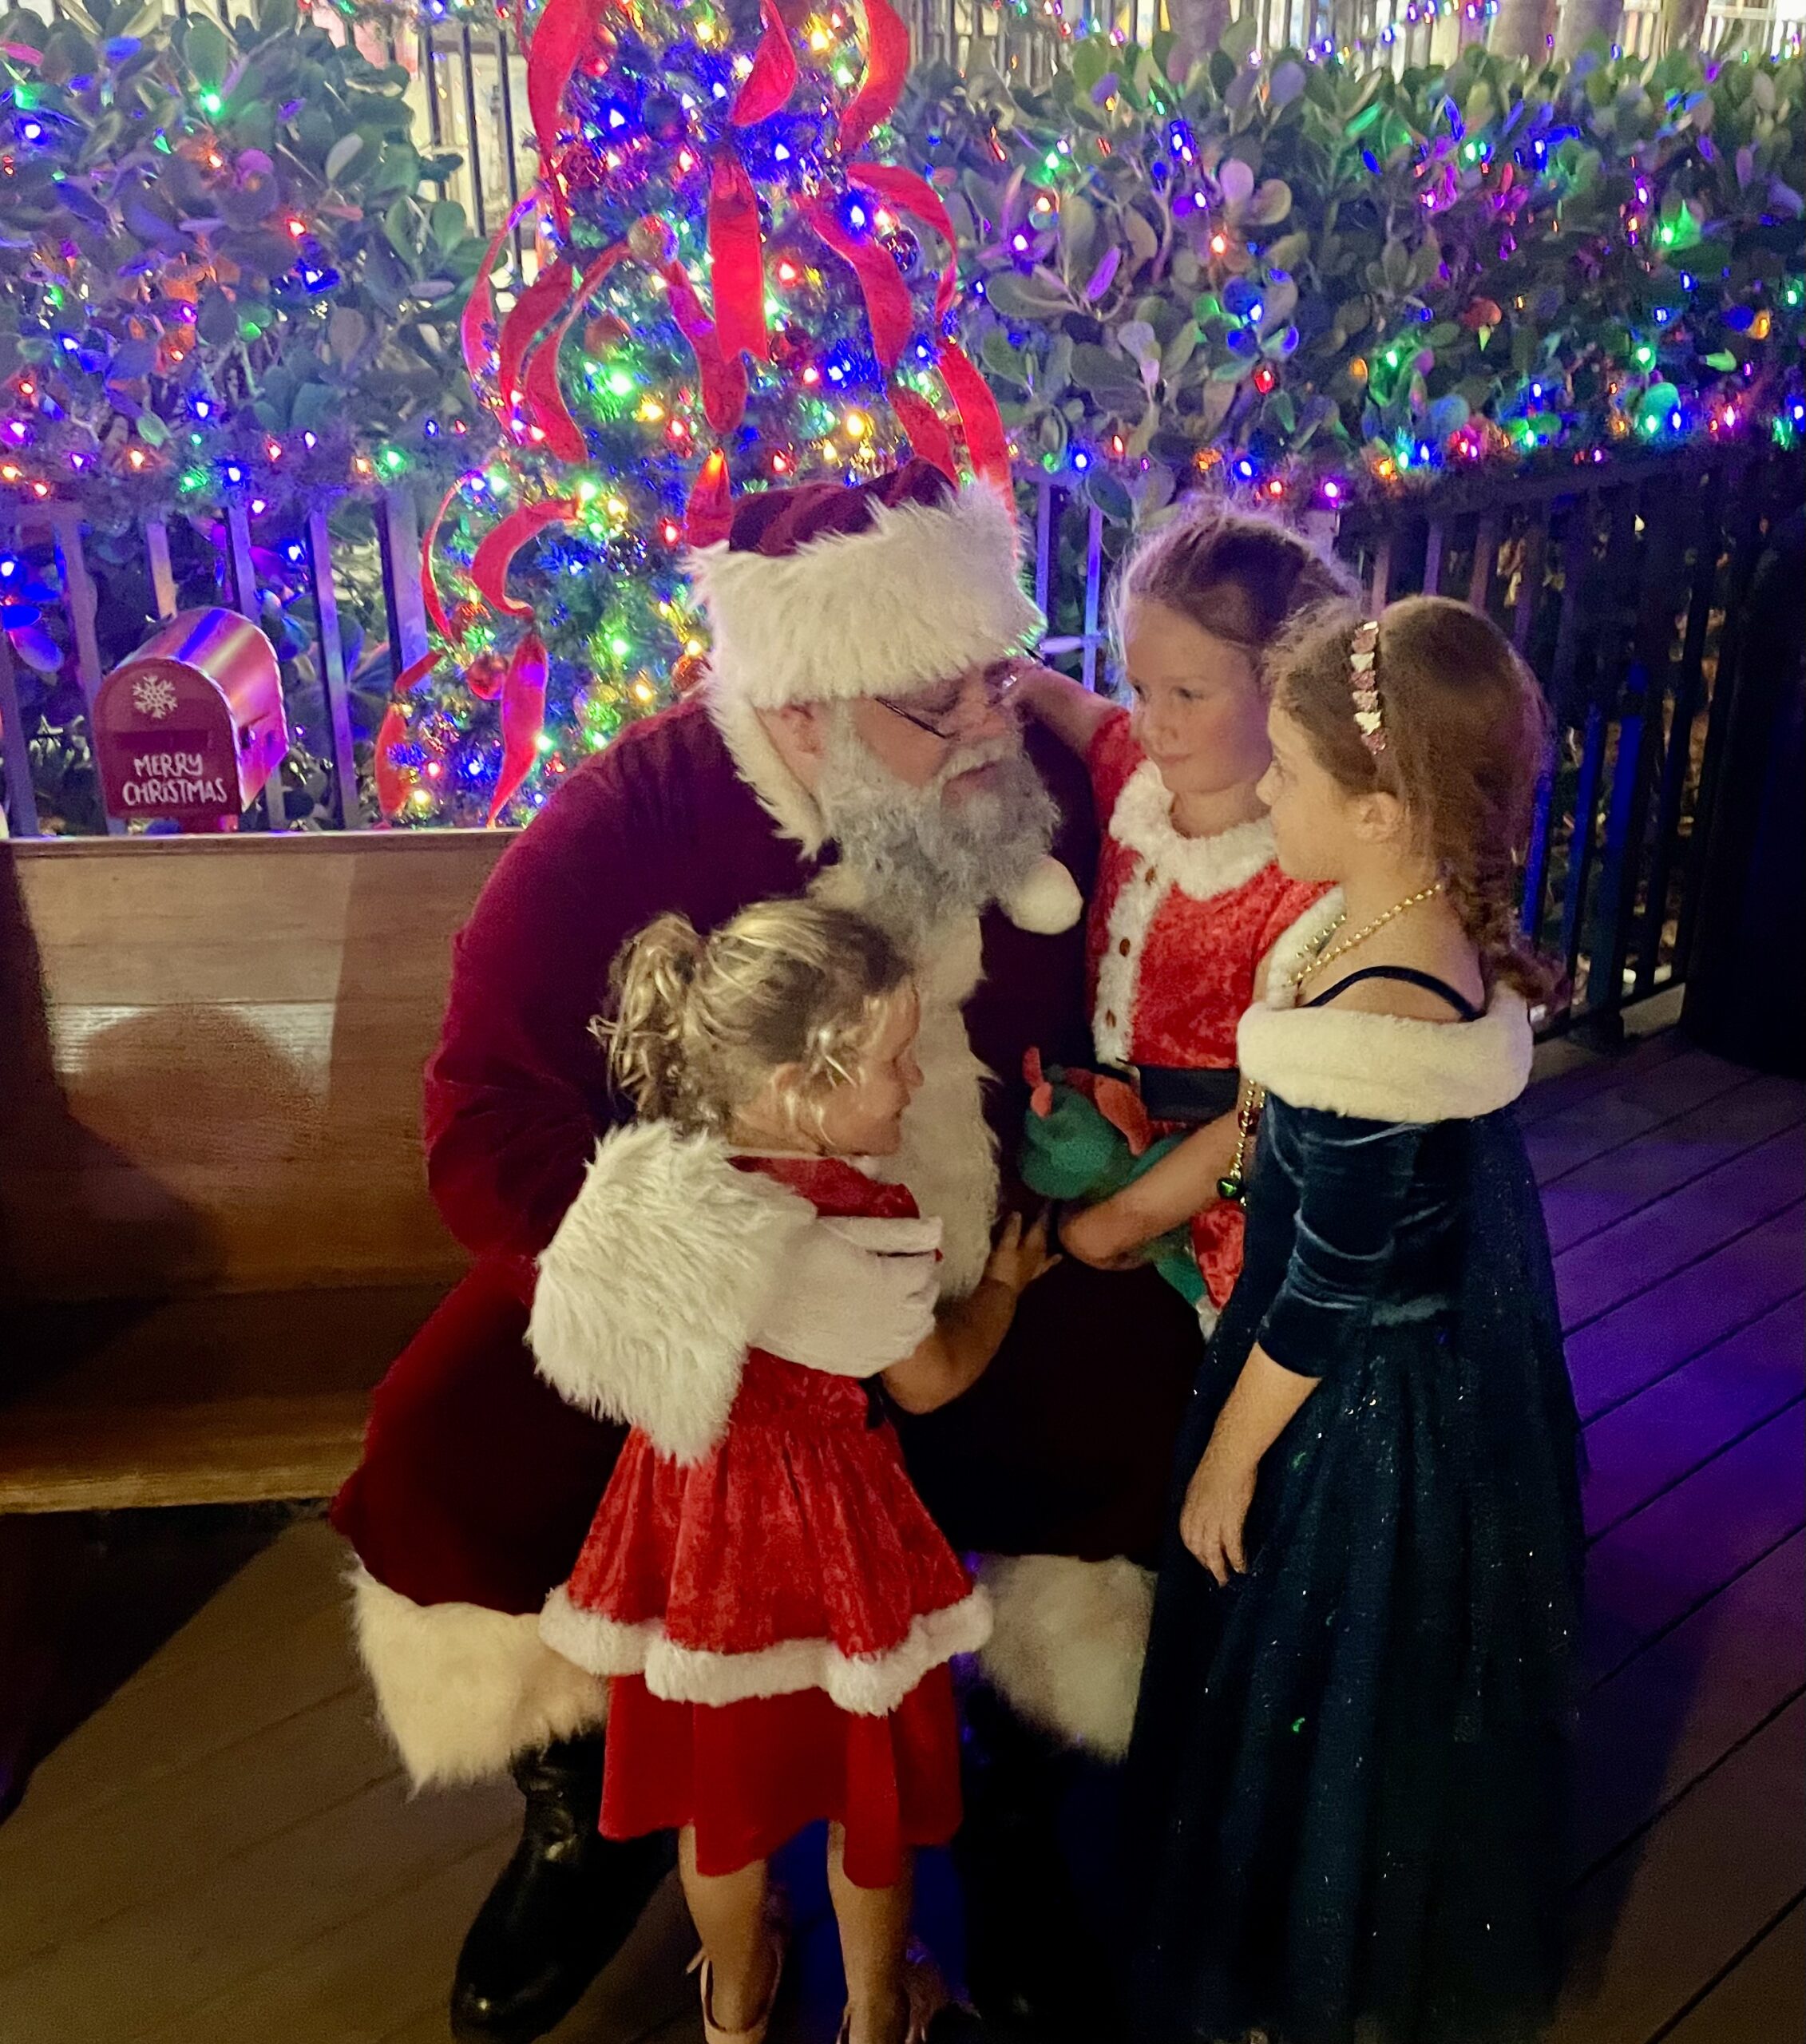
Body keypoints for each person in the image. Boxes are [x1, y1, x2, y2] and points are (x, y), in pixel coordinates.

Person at [329, 460, 1206, 2043]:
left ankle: (1018, 1797)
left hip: (1003, 1257)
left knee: (1151, 1412)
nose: (990, 726)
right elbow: (482, 1110)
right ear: (804, 709)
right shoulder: (632, 814)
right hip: (719, 1290)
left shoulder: (1028, 772)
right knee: (444, 1442)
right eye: (940, 704)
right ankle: (590, 1791)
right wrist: (719, 1274)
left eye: (995, 677)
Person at [1125, 595, 1586, 2044]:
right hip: (1414, 1381)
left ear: (1381, 809)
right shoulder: (1406, 922)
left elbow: (1328, 1291)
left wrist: (1225, 1460)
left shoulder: (1372, 1029)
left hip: (1354, 1420)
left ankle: (1302, 1969)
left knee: (1317, 1680)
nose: (1265, 791)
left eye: (1289, 772)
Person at [528, 898, 1057, 2044]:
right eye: (893, 1058)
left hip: (689, 1524)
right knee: (866, 1799)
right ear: (797, 1088)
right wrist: (1004, 1289)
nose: (915, 1080)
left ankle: (735, 1998)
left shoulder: (648, 1193)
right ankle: (878, 2010)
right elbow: (932, 1377)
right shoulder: (855, 1230)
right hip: (824, 1532)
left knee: (720, 1809)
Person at [1004, 505, 1352, 1324]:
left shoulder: (1308, 878)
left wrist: (1122, 1220)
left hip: (1233, 1198)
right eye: (1140, 688)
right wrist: (1005, 676)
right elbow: (1077, 710)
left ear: (1289, 686)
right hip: (1110, 1148)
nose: (1153, 724)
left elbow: (1270, 1122)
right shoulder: (1136, 773)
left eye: (1188, 694)